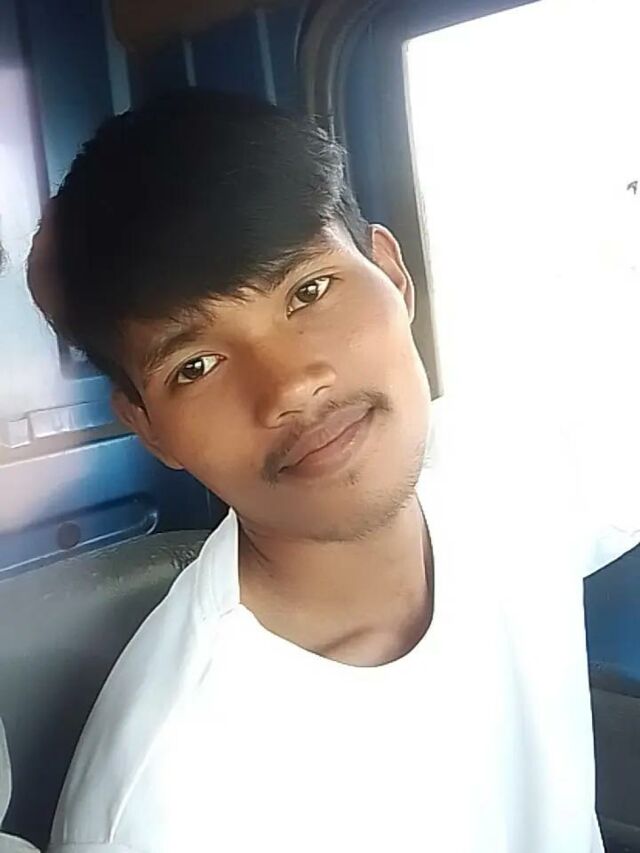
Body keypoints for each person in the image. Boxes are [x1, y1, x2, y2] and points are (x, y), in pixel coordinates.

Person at [27, 90, 639, 853]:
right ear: (149, 427)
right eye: (198, 364)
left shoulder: (509, 469)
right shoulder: (170, 804)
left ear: (393, 272)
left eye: (308, 291)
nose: (289, 384)